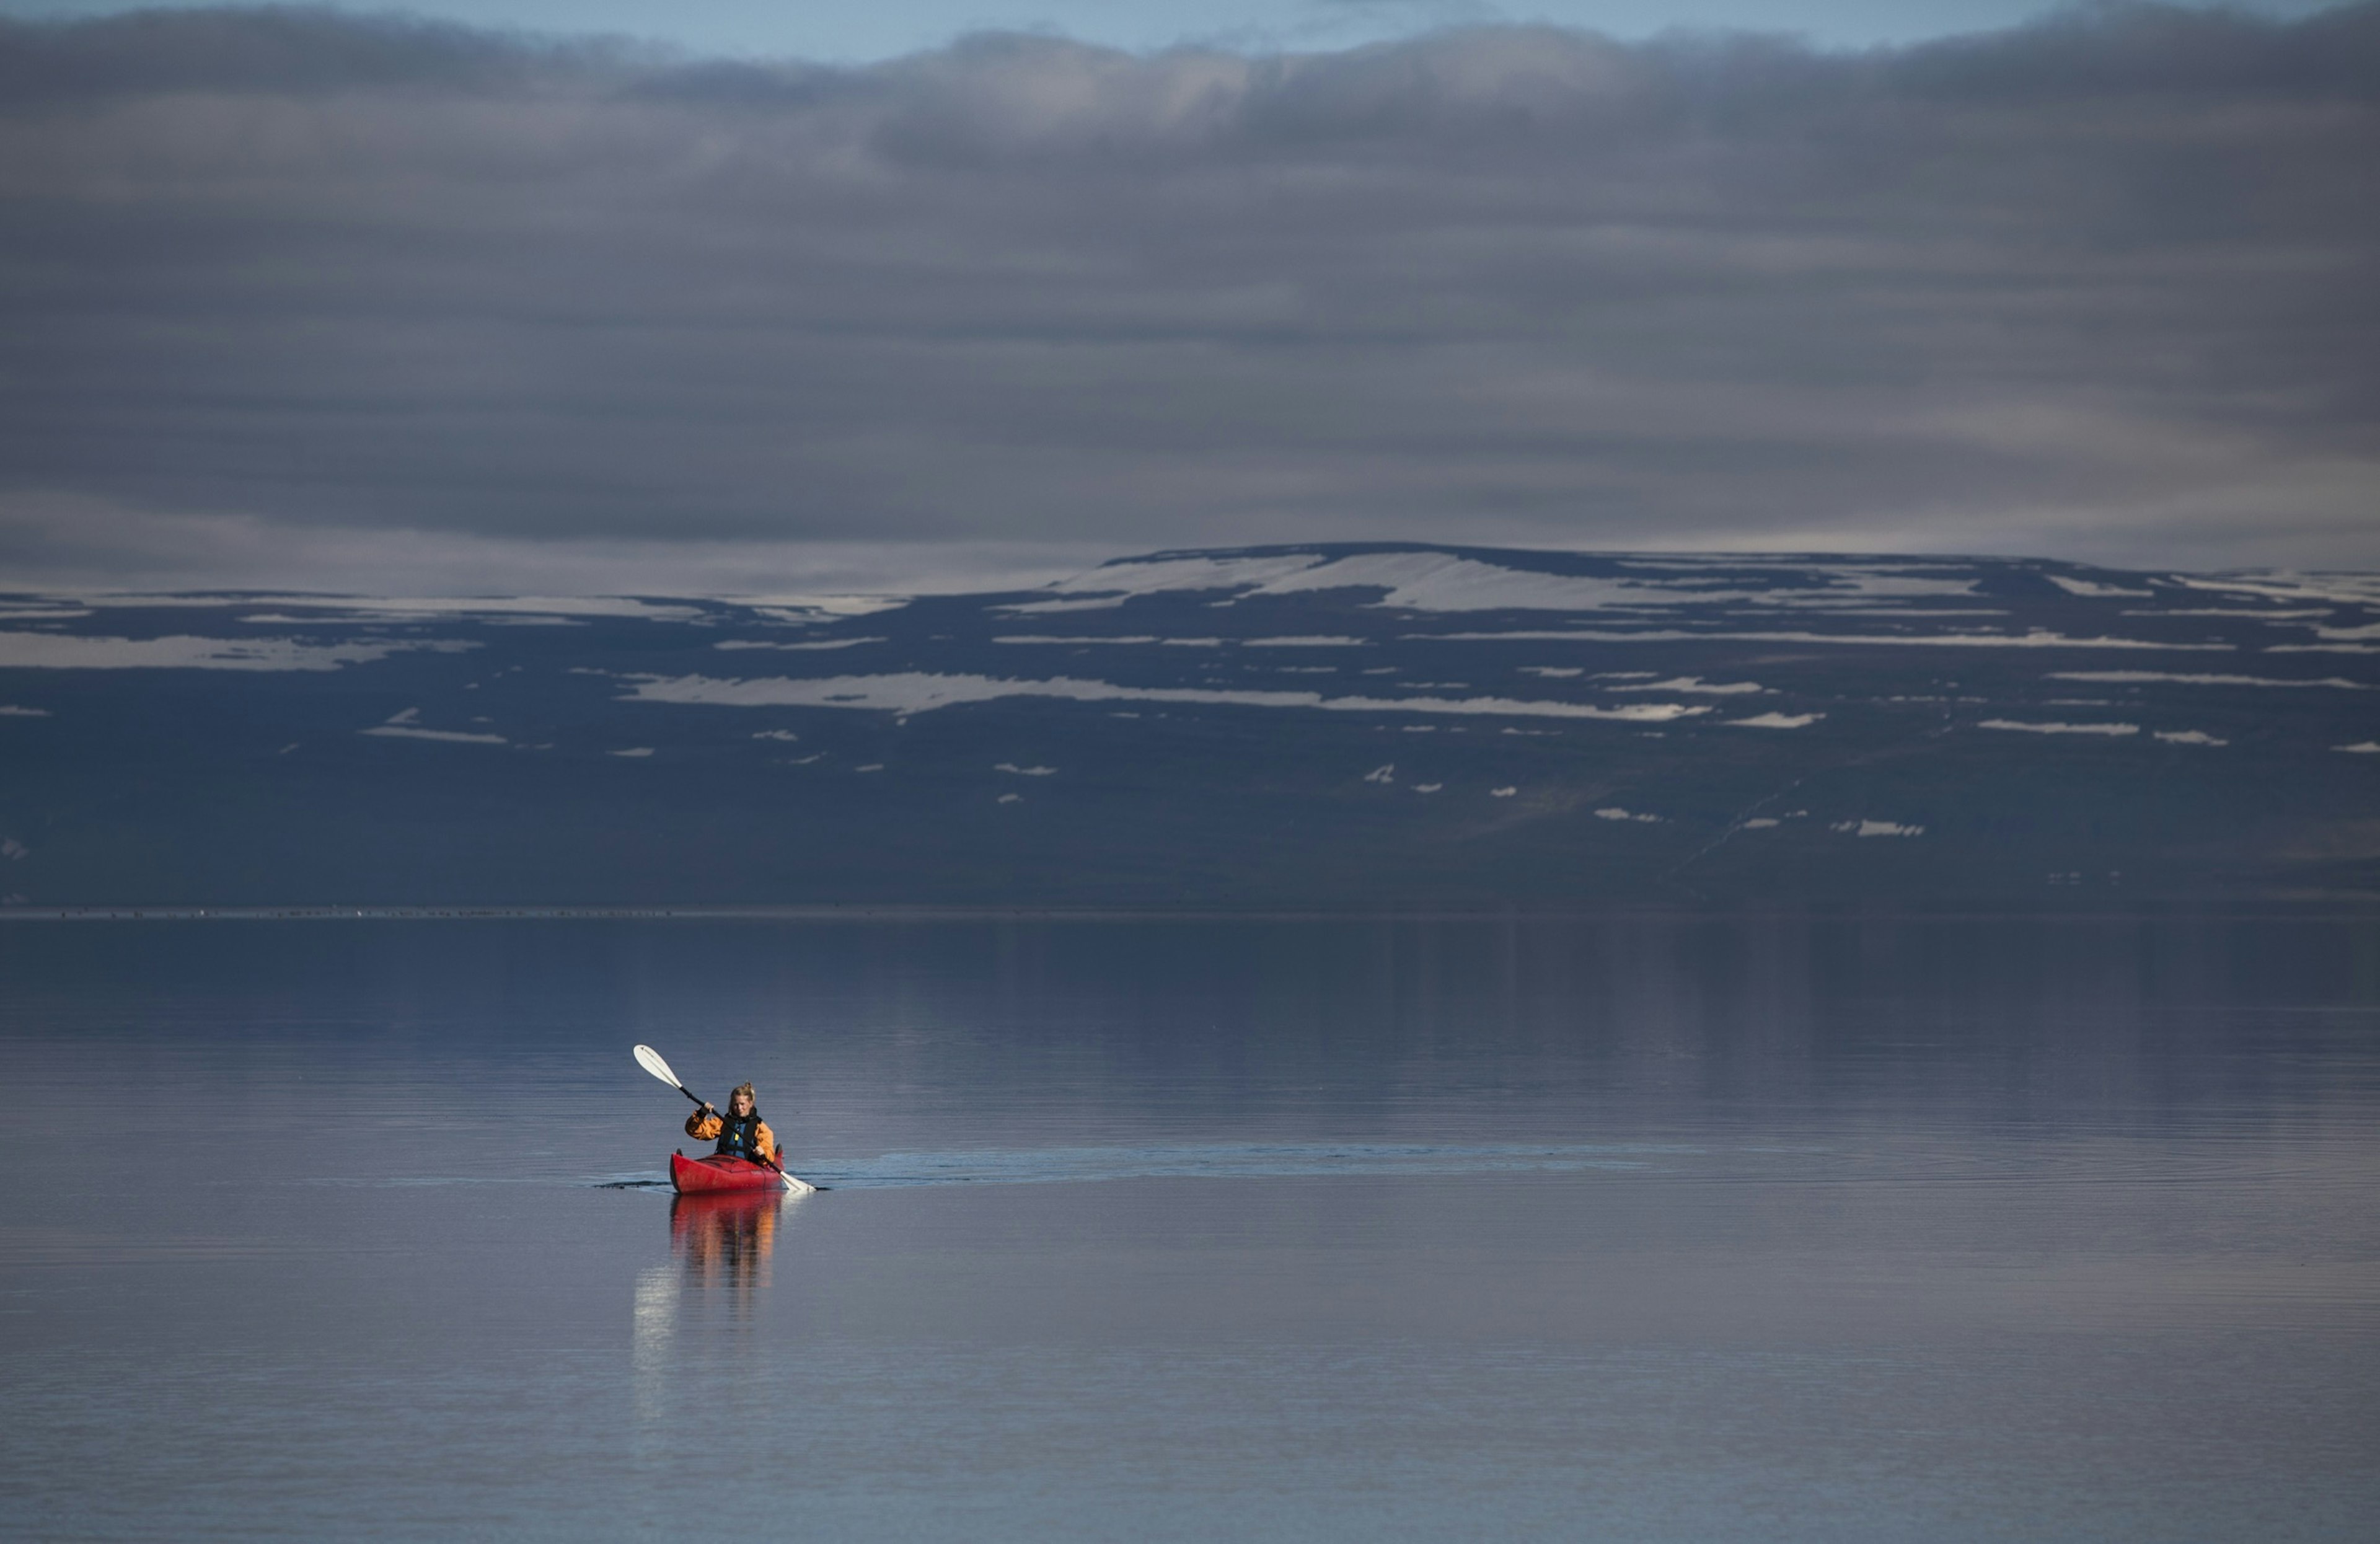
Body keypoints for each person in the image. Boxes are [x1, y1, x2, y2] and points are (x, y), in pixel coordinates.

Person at [685, 1081, 782, 1167]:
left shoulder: (761, 1128)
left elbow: (769, 1155)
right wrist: (702, 1113)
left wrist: (763, 1154)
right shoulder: (723, 1122)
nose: (739, 1108)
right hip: (723, 1165)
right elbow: (694, 1131)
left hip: (748, 1168)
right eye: (736, 1104)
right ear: (732, 1104)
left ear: (750, 1104)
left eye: (742, 1104)